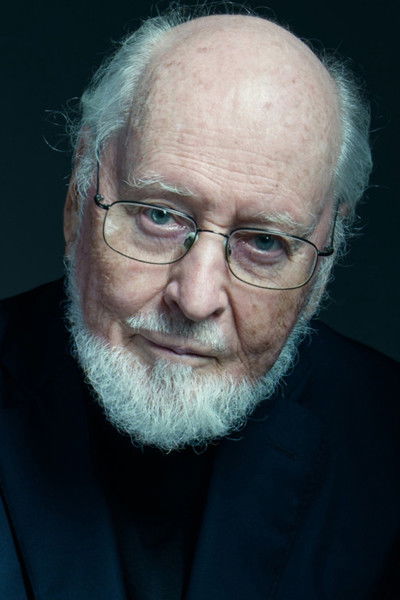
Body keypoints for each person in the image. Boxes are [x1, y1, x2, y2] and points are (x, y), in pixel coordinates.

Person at [0, 7, 399, 600]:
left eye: (265, 242)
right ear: (79, 201)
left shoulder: (387, 443)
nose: (195, 297)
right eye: (159, 216)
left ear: (324, 260)